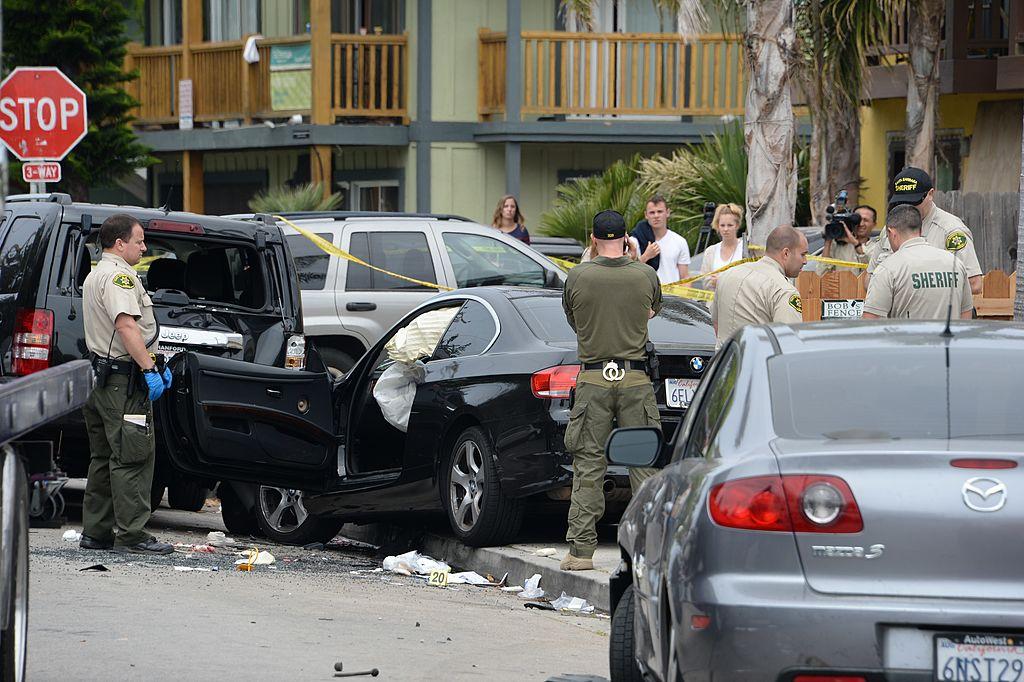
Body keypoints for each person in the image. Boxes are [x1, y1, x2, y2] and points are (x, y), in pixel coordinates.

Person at [561, 210, 662, 572]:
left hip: (593, 380)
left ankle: (581, 552)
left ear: (593, 238)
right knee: (643, 468)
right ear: (627, 238)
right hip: (635, 381)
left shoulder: (578, 276)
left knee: (588, 465)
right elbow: (652, 311)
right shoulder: (645, 274)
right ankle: (650, 554)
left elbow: (574, 318)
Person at [80, 214, 174, 555]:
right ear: (120, 243)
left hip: (101, 380)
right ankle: (132, 535)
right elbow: (126, 327)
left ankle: (96, 532)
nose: (144, 246)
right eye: (139, 241)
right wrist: (149, 368)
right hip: (122, 382)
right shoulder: (119, 277)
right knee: (132, 456)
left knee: (104, 457)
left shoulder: (96, 274)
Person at [867, 167, 982, 295]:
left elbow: (974, 284)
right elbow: (869, 279)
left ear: (930, 194)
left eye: (914, 201)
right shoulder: (891, 227)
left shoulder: (951, 230)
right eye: (902, 201)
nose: (908, 207)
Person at [862, 205, 973, 320]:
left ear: (891, 232)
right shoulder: (955, 263)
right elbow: (965, 313)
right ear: (920, 230)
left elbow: (870, 319)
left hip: (907, 337)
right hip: (949, 337)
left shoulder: (887, 269)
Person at [711, 225, 807, 346]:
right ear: (786, 253)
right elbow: (789, 342)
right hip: (759, 363)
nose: (805, 261)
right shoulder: (784, 290)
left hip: (724, 362)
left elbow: (716, 324)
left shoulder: (727, 275)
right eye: (802, 254)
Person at [631, 195, 690, 284]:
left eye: (660, 211)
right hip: (645, 295)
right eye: (652, 212)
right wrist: (646, 256)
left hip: (672, 295)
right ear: (646, 215)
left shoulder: (679, 241)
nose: (656, 216)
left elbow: (685, 277)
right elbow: (628, 273)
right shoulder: (634, 242)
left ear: (667, 212)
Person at [698, 203, 746, 289]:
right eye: (722, 225)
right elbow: (704, 281)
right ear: (717, 226)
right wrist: (712, 282)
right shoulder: (710, 251)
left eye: (730, 225)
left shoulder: (746, 248)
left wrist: (723, 281)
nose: (726, 229)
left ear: (737, 225)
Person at [820, 204, 875, 274]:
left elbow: (870, 272)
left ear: (874, 224)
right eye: (858, 220)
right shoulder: (837, 245)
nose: (861, 224)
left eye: (866, 220)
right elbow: (821, 273)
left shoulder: (876, 248)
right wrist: (828, 241)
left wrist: (856, 244)